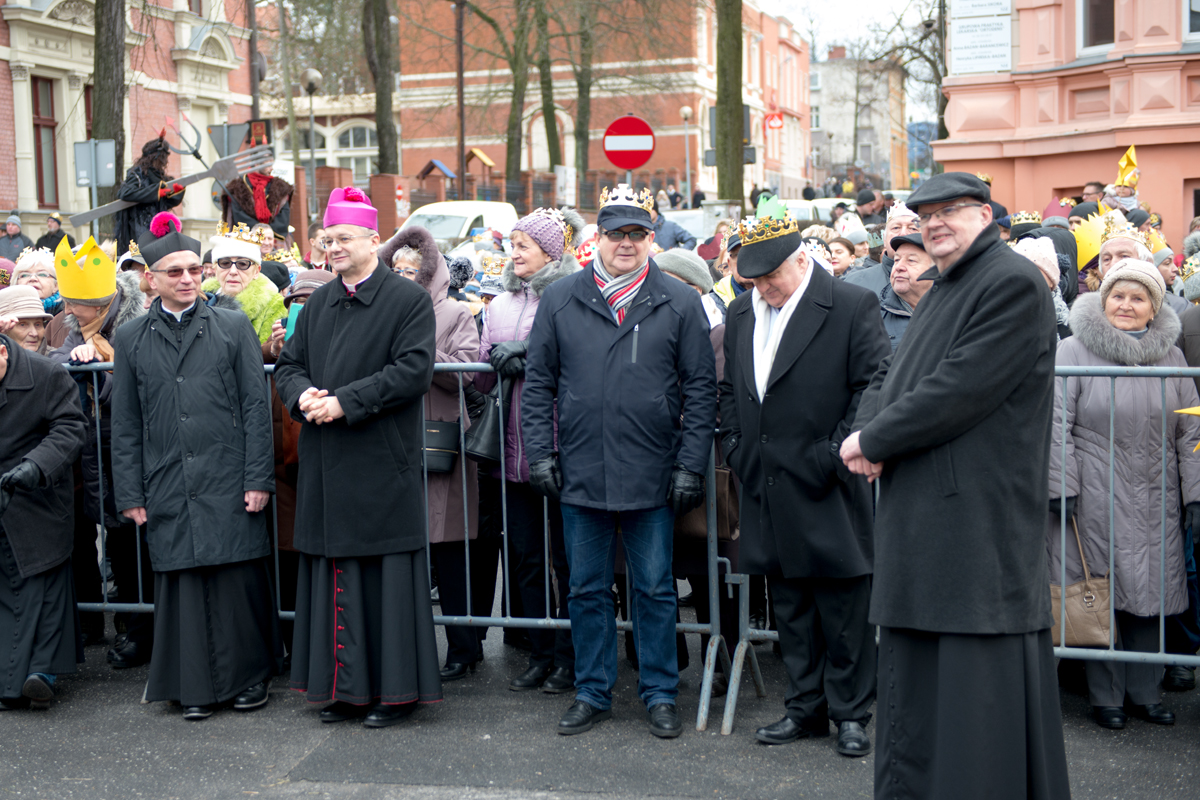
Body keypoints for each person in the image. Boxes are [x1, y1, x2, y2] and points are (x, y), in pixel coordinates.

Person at [840, 172, 1071, 799]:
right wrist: (867, 431)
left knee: (974, 702)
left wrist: (876, 441)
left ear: (986, 215)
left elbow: (961, 387)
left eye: (952, 210)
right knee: (918, 689)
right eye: (926, 215)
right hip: (930, 517)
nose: (935, 223)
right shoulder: (948, 284)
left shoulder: (1010, 282)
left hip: (972, 523)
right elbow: (892, 375)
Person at [522, 185, 716, 739]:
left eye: (637, 234)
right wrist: (540, 454)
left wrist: (690, 464)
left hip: (651, 470)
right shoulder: (562, 298)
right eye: (616, 234)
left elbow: (701, 389)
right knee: (585, 589)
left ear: (651, 239)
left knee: (654, 589)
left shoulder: (678, 301)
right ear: (598, 238)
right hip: (581, 470)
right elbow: (538, 386)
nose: (626, 243)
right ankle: (592, 690)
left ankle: (660, 692)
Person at [717, 205, 890, 758]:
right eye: (754, 280)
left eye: (771, 277)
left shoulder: (850, 304)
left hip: (828, 479)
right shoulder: (742, 311)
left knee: (843, 609)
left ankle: (851, 713)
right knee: (789, 605)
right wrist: (737, 448)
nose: (764, 289)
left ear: (800, 260)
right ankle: (804, 707)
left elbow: (873, 384)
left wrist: (833, 454)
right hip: (765, 480)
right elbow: (730, 389)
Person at [274, 187, 443, 728]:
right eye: (328, 239)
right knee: (334, 579)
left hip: (380, 464)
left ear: (374, 239)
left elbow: (412, 371)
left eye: (344, 238)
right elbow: (289, 366)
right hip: (326, 465)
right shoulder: (317, 303)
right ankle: (344, 690)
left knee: (384, 581)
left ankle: (394, 693)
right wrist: (302, 396)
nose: (334, 247)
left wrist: (344, 402)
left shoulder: (407, 300)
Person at [111, 211, 283, 722]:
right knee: (183, 582)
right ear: (152, 278)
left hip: (229, 475)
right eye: (175, 272)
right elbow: (126, 422)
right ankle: (194, 686)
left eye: (194, 269)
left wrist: (258, 477)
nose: (187, 279)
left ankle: (248, 679)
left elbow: (255, 408)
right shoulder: (131, 337)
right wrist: (130, 493)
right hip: (167, 476)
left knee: (235, 580)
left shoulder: (231, 325)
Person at [1049, 257, 1200, 731]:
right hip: (1094, 495)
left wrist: (1195, 494)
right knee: (1100, 593)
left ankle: (1145, 693)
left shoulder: (1172, 357)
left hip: (1157, 495)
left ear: (1155, 307)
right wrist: (1061, 485)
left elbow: (1190, 431)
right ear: (1103, 299)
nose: (1126, 305)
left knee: (1151, 594)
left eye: (1138, 298)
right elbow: (1055, 424)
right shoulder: (1072, 350)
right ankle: (1106, 697)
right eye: (1118, 295)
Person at [472, 208, 584, 693]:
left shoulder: (572, 297)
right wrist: (488, 361)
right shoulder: (497, 304)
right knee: (527, 560)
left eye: (523, 245)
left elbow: (582, 363)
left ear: (550, 252)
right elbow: (478, 379)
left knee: (568, 561)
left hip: (560, 450)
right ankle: (540, 652)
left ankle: (570, 657)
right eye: (511, 245)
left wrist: (531, 356)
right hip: (510, 456)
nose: (513, 253)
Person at [380, 224, 488, 682]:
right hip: (392, 439)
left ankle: (465, 647)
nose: (403, 277)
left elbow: (467, 371)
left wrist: (423, 350)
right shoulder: (380, 311)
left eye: (412, 270)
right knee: (404, 552)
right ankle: (409, 648)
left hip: (439, 438)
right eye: (396, 270)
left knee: (450, 551)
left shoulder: (455, 312)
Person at [45, 239, 152, 665]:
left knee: (135, 542)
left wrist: (99, 375)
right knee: (111, 537)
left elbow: (143, 383)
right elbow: (50, 363)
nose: (68, 309)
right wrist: (74, 361)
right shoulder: (72, 327)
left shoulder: (138, 323)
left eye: (76, 303)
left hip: (134, 447)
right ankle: (127, 624)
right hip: (93, 450)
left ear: (101, 301)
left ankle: (143, 628)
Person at [0, 330, 87, 710]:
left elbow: (71, 428)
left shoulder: (46, 373)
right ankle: (21, 678)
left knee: (46, 588)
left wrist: (34, 467)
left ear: (2, 353)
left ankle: (37, 674)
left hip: (38, 499)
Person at [201, 223, 287, 347]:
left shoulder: (274, 306)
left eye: (242, 264)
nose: (233, 271)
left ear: (256, 271)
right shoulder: (198, 299)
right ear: (215, 269)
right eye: (225, 263)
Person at [114, 134, 185, 256]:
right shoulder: (137, 174)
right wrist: (156, 192)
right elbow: (125, 193)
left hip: (159, 229)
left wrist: (175, 192)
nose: (165, 161)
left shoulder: (161, 177)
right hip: (139, 227)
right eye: (163, 157)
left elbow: (167, 203)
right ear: (155, 157)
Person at [843, 202, 919, 297]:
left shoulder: (935, 280)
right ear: (884, 239)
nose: (903, 233)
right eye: (896, 228)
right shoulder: (856, 283)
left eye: (913, 228)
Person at [879, 233, 933, 352]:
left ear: (936, 268)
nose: (899, 267)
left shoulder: (957, 310)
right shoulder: (875, 315)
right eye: (896, 260)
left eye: (911, 260)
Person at [1011, 236, 1071, 341]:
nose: (1027, 279)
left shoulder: (1068, 329)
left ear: (1051, 282)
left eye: (1036, 272)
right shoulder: (997, 315)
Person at [221, 157, 294, 242]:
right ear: (257, 164)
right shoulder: (237, 188)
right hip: (247, 240)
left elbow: (283, 216)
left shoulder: (281, 188)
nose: (271, 168)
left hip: (273, 241)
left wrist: (267, 235)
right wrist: (258, 233)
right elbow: (239, 216)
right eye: (268, 165)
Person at [0, 285, 51, 354]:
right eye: (22, 325)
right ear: (3, 329)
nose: (34, 333)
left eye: (38, 324)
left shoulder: (56, 358)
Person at [12, 248, 62, 317]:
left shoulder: (69, 313)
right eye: (24, 275)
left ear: (56, 285)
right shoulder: (4, 314)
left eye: (42, 274)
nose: (32, 278)